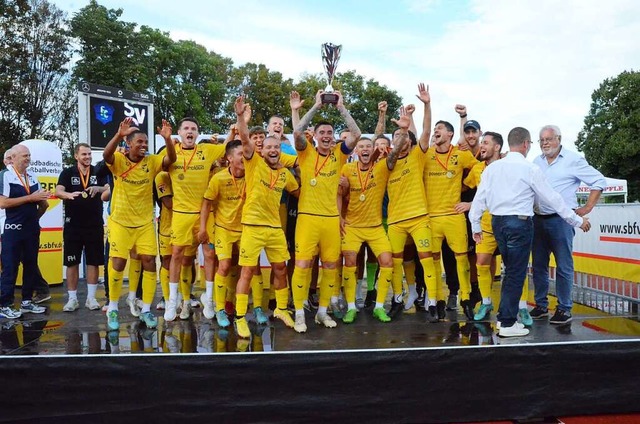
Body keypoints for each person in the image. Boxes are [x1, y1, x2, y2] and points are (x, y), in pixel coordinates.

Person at [469, 127, 590, 337]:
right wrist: (577, 220)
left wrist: (475, 226)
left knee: (510, 273)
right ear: (526, 144)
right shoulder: (530, 169)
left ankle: (504, 318)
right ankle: (507, 323)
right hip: (519, 223)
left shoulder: (492, 169)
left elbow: (480, 200)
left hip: (497, 223)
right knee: (515, 273)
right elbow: (552, 198)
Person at [290, 89, 361, 333]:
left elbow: (357, 134)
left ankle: (322, 312)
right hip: (308, 219)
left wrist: (341, 107)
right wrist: (316, 106)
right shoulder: (306, 151)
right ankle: (299, 313)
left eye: (330, 132)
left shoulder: (339, 155)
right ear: (316, 136)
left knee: (330, 266)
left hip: (331, 220)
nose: (328, 136)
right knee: (302, 265)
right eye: (323, 132)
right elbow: (297, 131)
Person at [232, 96, 300, 337]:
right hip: (252, 226)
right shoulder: (253, 162)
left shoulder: (285, 174)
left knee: (281, 268)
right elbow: (244, 138)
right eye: (269, 147)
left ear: (281, 152)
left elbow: (299, 192)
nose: (273, 150)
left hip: (274, 229)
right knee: (248, 272)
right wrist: (242, 118)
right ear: (262, 150)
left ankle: (281, 308)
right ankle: (240, 317)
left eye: (277, 148)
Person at [103, 118, 176, 330]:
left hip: (144, 222)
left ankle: (146, 309)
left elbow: (171, 159)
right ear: (129, 144)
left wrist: (168, 139)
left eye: (146, 143)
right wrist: (118, 134)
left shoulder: (152, 162)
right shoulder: (118, 159)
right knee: (117, 262)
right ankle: (114, 307)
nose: (144, 146)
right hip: (120, 222)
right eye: (140, 142)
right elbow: (107, 155)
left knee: (150, 262)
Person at [339, 113, 411, 323]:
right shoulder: (347, 168)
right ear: (356, 150)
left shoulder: (381, 168)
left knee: (387, 262)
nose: (364, 150)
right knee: (350, 262)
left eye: (368, 148)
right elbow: (340, 195)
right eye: (361, 147)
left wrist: (404, 131)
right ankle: (351, 306)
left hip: (375, 227)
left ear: (374, 151)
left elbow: (395, 152)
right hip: (352, 226)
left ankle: (380, 306)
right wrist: (340, 215)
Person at [531, 125, 606, 324]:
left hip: (561, 221)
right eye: (541, 140)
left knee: (563, 266)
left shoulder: (573, 160)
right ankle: (540, 305)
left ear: (559, 138)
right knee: (538, 266)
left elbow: (599, 181)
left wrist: (587, 208)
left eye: (548, 139)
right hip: (537, 219)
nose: (545, 143)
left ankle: (564, 308)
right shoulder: (536, 162)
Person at [385, 83, 439, 321]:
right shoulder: (387, 163)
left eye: (403, 135)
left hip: (419, 218)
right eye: (396, 135)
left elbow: (426, 132)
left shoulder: (418, 155)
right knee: (394, 262)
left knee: (427, 260)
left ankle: (434, 301)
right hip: (396, 221)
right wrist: (401, 131)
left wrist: (427, 104)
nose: (400, 138)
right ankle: (397, 298)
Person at [164, 117, 226, 322]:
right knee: (179, 257)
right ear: (179, 133)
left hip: (204, 214)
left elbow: (229, 147)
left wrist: (239, 123)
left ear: (198, 134)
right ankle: (176, 301)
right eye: (186, 129)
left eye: (194, 128)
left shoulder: (206, 151)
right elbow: (163, 165)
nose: (190, 132)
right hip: (181, 215)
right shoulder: (171, 152)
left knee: (209, 255)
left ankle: (209, 299)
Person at [424, 113, 478, 320]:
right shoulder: (426, 154)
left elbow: (478, 167)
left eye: (440, 128)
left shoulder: (460, 154)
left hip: (454, 216)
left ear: (450, 134)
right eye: (434, 128)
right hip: (431, 217)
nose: (436, 131)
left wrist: (467, 185)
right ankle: (436, 299)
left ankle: (465, 299)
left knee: (461, 259)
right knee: (433, 261)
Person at [198, 140, 251, 325]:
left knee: (244, 267)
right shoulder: (218, 178)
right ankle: (219, 309)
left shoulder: (252, 174)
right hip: (223, 229)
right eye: (240, 154)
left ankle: (236, 304)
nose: (245, 157)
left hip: (245, 229)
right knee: (225, 265)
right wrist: (203, 228)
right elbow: (206, 203)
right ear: (229, 158)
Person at [56, 143, 108, 312]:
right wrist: (68, 195)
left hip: (94, 223)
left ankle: (91, 298)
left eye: (89, 154)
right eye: (84, 154)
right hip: (74, 224)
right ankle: (72, 299)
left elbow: (108, 188)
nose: (87, 157)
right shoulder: (68, 172)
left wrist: (98, 188)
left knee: (93, 261)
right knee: (72, 262)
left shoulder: (98, 171)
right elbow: (58, 191)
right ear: (76, 156)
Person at [0, 145, 49, 318]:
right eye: (24, 156)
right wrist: (31, 198)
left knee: (30, 264)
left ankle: (27, 301)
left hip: (31, 229)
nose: (27, 158)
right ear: (12, 158)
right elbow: (3, 203)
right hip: (12, 228)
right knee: (10, 266)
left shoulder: (32, 176)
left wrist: (36, 216)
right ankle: (5, 304)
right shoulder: (5, 176)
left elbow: (43, 203)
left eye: (29, 155)